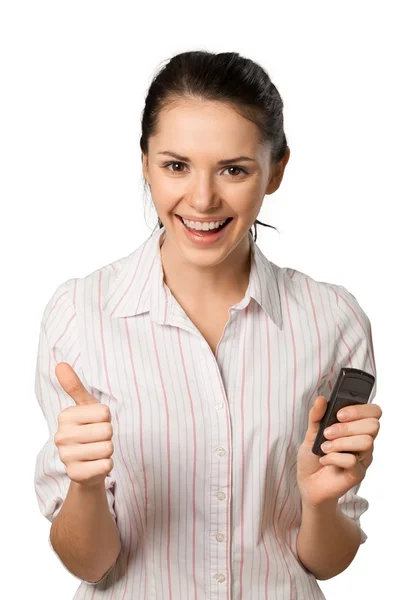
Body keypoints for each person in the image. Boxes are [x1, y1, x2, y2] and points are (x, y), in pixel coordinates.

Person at [34, 50, 382, 599]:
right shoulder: (80, 314)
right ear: (145, 162)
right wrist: (85, 485)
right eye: (176, 166)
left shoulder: (332, 322)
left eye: (234, 169)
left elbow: (325, 563)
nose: (201, 199)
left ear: (277, 171)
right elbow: (92, 564)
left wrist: (319, 503)